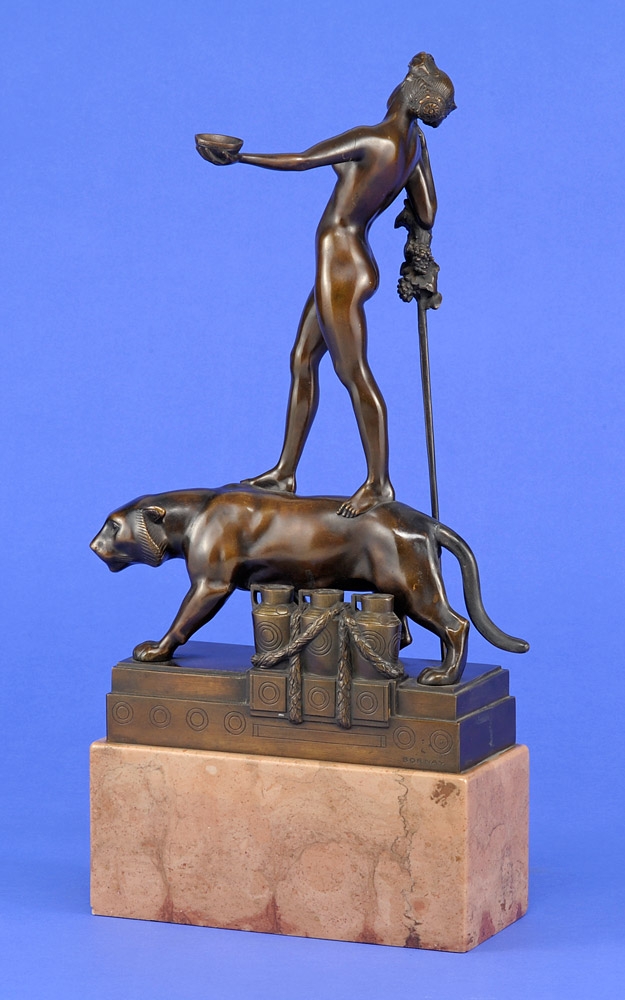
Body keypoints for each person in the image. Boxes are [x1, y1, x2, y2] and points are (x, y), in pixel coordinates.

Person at [200, 53, 455, 516]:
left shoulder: (374, 138)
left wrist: (240, 158)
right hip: (348, 263)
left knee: (353, 373)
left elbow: (302, 160)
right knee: (302, 359)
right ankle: (285, 471)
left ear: (410, 92)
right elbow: (428, 210)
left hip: (340, 265)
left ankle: (378, 483)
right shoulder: (412, 147)